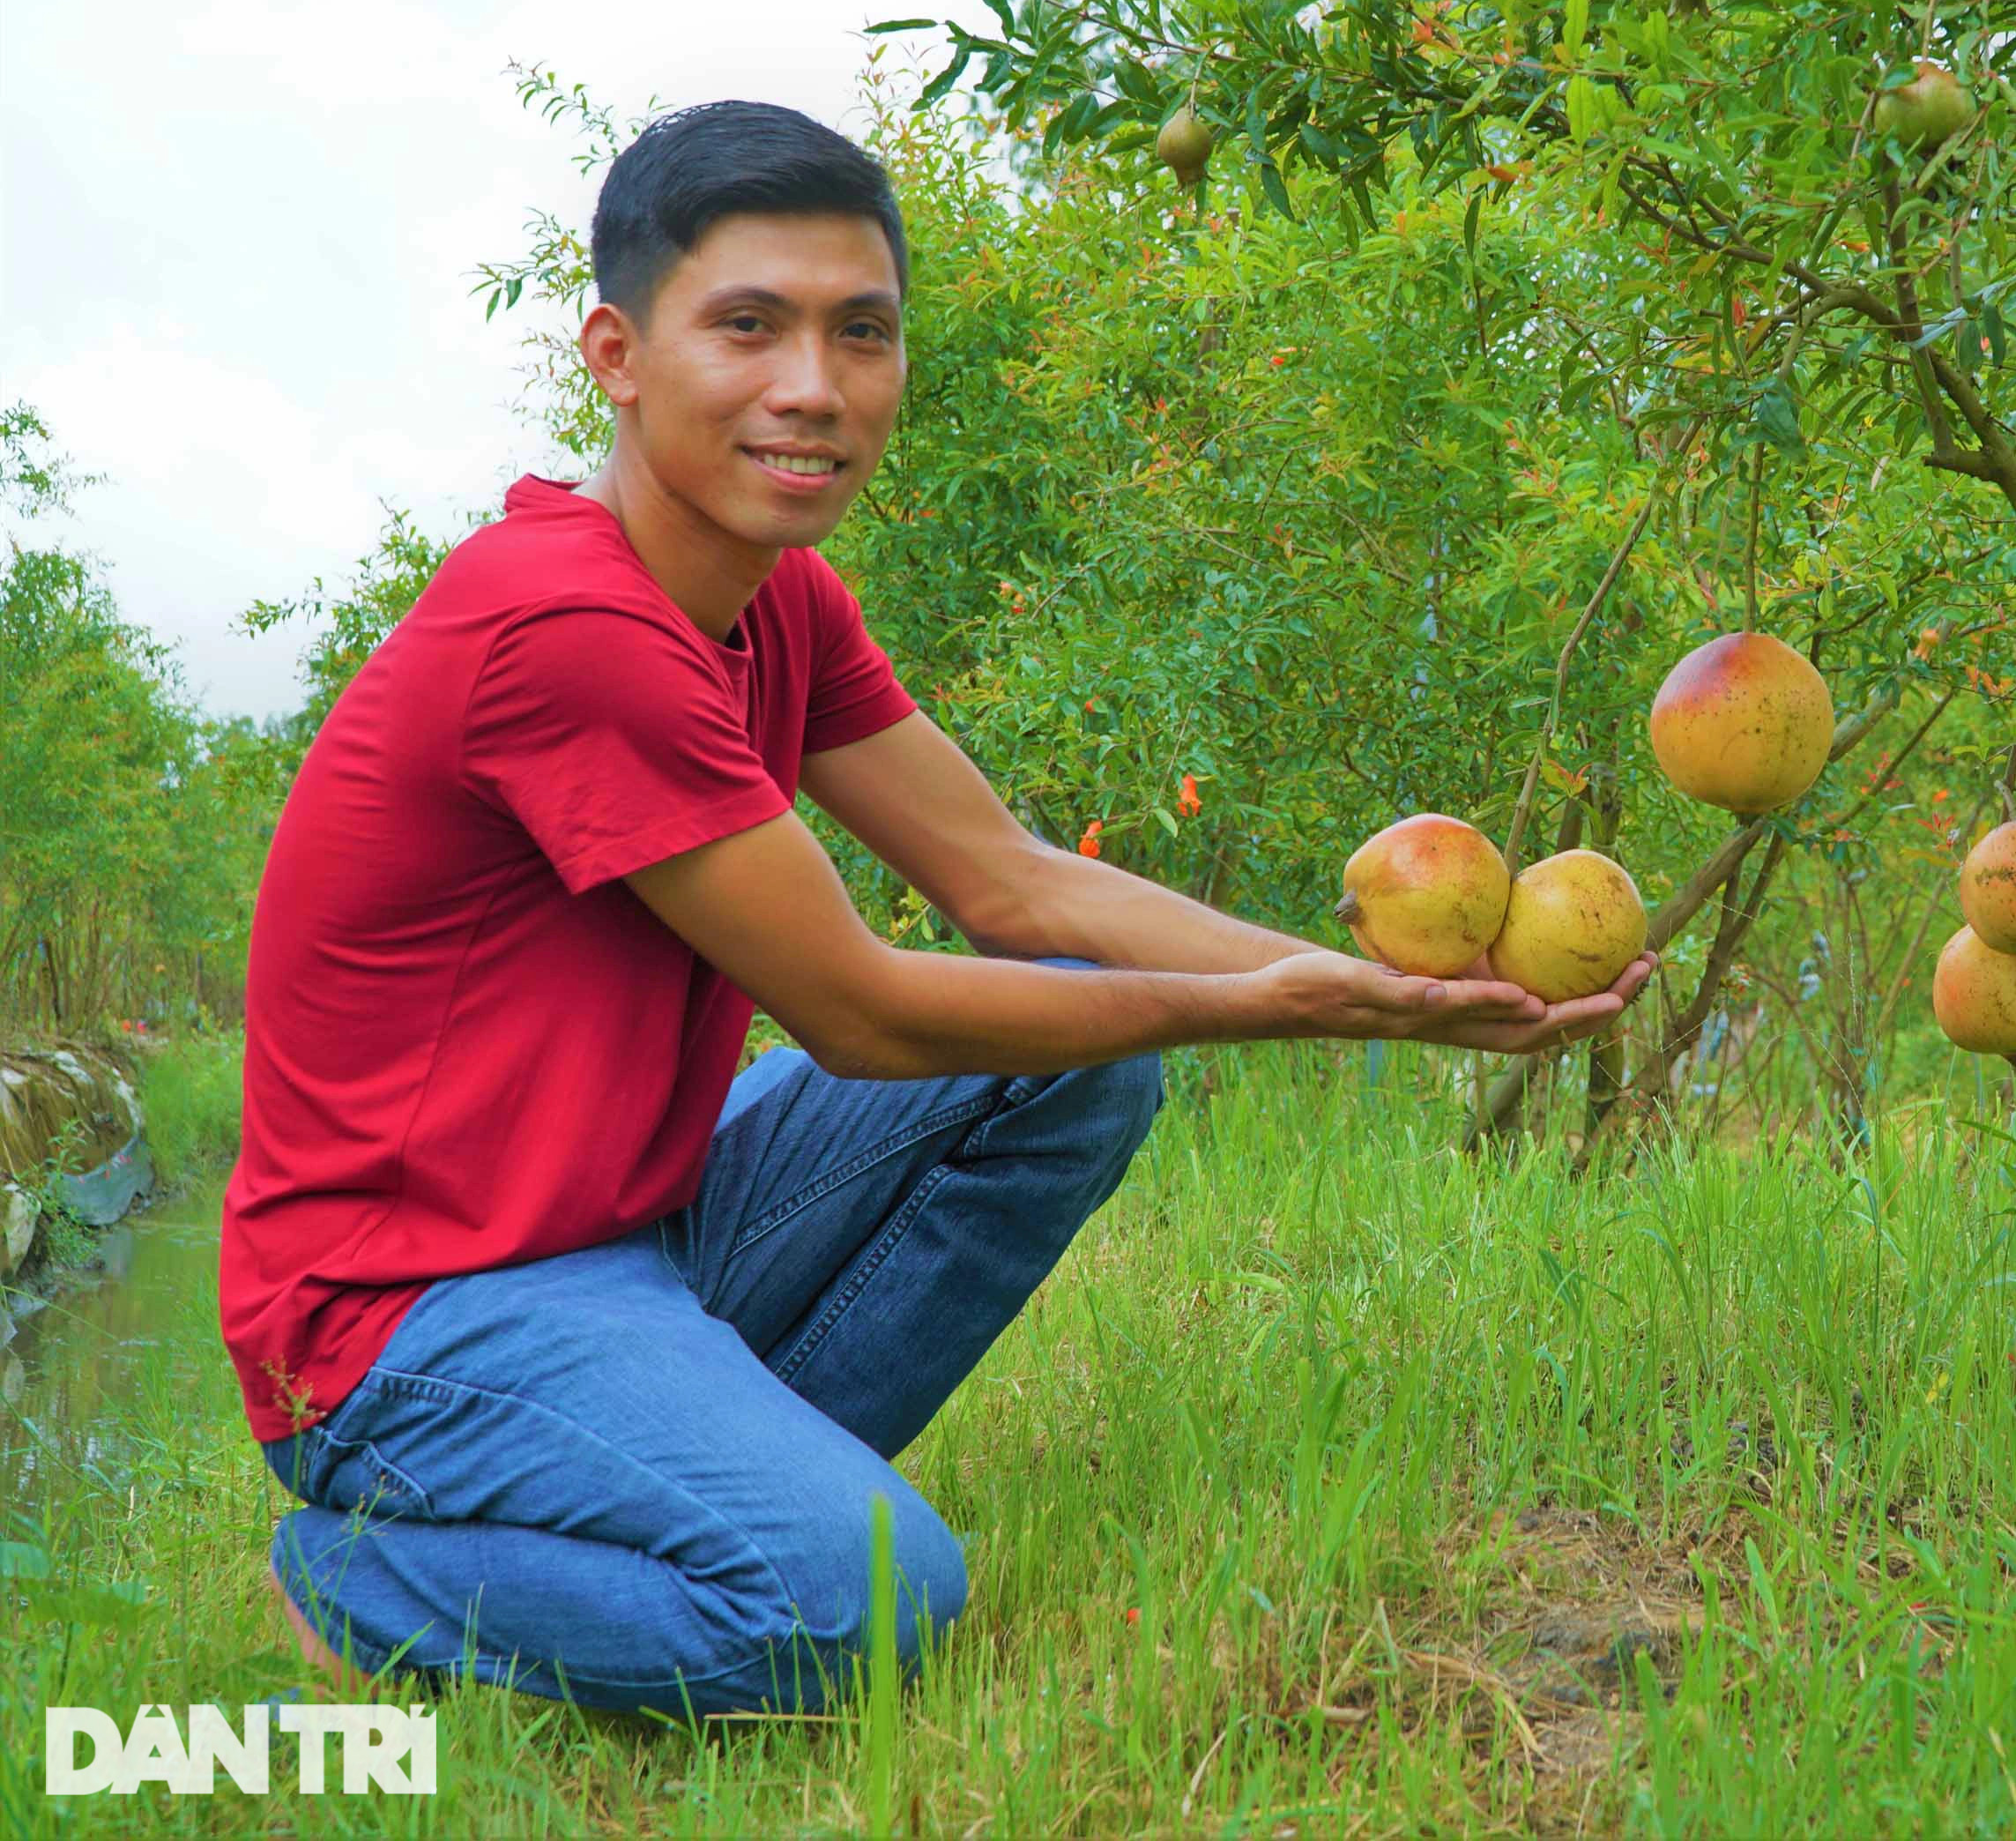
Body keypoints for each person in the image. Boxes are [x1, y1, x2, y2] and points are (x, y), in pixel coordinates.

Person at [221, 101, 1647, 1721]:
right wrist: (1290, 1009)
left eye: (863, 331)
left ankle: (712, 1473)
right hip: (401, 1322)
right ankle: (368, 1575)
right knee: (854, 1608)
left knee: (1077, 1055)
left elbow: (1012, 882)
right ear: (615, 352)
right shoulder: (567, 626)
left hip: (625, 1236)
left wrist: (1362, 972)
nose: (814, 387)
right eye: (747, 325)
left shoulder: (776, 603)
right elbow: (865, 1009)